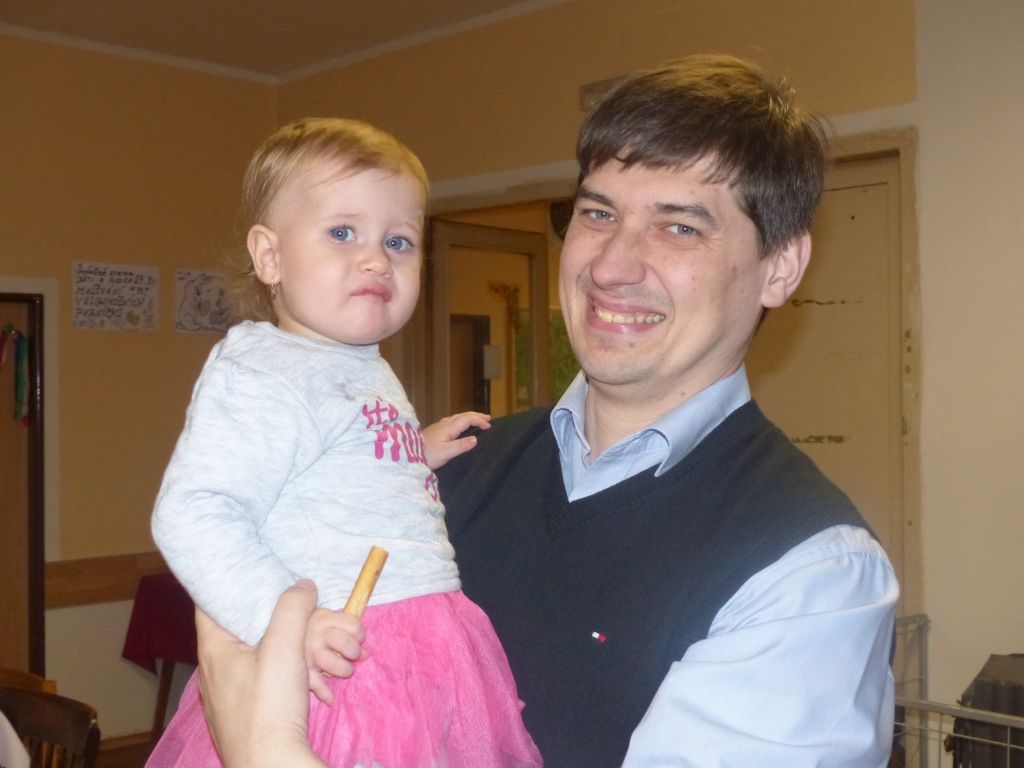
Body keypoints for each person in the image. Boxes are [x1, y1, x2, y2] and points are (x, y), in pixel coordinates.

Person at [199, 55, 899, 767]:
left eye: (680, 227)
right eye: (598, 214)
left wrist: (264, 752)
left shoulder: (810, 575)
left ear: (780, 266)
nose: (611, 266)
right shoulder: (441, 474)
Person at [148, 117, 541, 768]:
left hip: (425, 644)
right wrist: (284, 622)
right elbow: (192, 512)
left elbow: (329, 463)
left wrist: (410, 449)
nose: (376, 258)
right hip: (344, 657)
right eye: (342, 232)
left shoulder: (355, 362)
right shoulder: (264, 370)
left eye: (399, 241)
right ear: (270, 256)